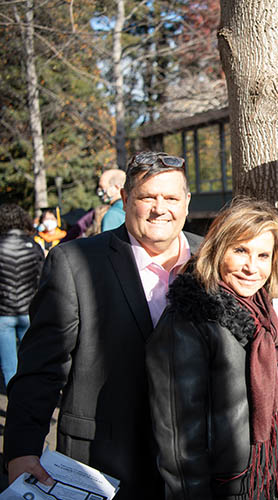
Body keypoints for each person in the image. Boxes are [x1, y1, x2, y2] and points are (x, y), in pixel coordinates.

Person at [4, 151, 202, 500]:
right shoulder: (75, 263)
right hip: (102, 464)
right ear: (125, 199)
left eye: (171, 197)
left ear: (186, 201)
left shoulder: (214, 260)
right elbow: (41, 368)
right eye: (147, 197)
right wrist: (22, 450)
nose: (160, 208)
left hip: (197, 460)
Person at [148, 199, 278, 499]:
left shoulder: (267, 316)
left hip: (268, 480)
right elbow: (178, 438)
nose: (252, 267)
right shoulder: (190, 319)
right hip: (220, 491)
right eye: (240, 250)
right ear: (217, 251)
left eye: (263, 255)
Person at [0, 204, 44, 390]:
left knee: (9, 366)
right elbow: (43, 278)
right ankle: (30, 400)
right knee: (33, 361)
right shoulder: (33, 246)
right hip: (29, 311)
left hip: (3, 313)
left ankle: (14, 403)